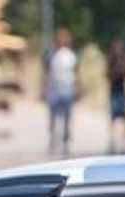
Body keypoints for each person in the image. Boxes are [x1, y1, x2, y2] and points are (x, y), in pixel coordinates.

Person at [46, 29, 78, 157]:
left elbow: (75, 72)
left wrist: (77, 87)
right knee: (53, 115)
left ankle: (66, 139)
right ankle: (53, 138)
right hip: (55, 89)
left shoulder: (70, 56)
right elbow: (48, 73)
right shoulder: (52, 55)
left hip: (67, 88)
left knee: (67, 117)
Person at [107, 40, 125, 154]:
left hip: (121, 89)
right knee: (113, 116)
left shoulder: (124, 60)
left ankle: (124, 140)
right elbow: (107, 74)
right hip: (114, 89)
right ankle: (113, 140)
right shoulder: (111, 60)